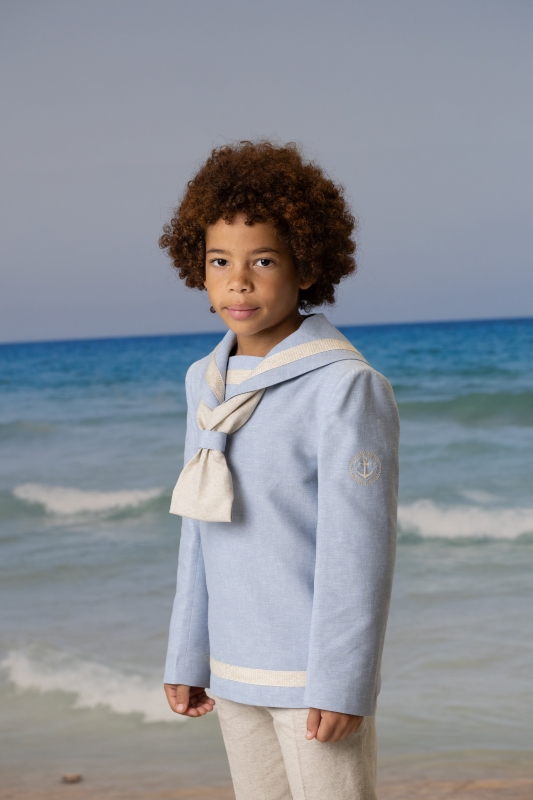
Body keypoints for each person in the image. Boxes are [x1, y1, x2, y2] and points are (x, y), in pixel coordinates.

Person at [159, 140, 399, 800]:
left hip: (309, 680)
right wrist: (187, 653)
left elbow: (359, 549)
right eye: (220, 261)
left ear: (306, 266)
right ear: (198, 267)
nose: (238, 281)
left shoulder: (343, 387)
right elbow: (199, 528)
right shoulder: (203, 382)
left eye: (262, 260)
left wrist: (343, 681)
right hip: (232, 668)